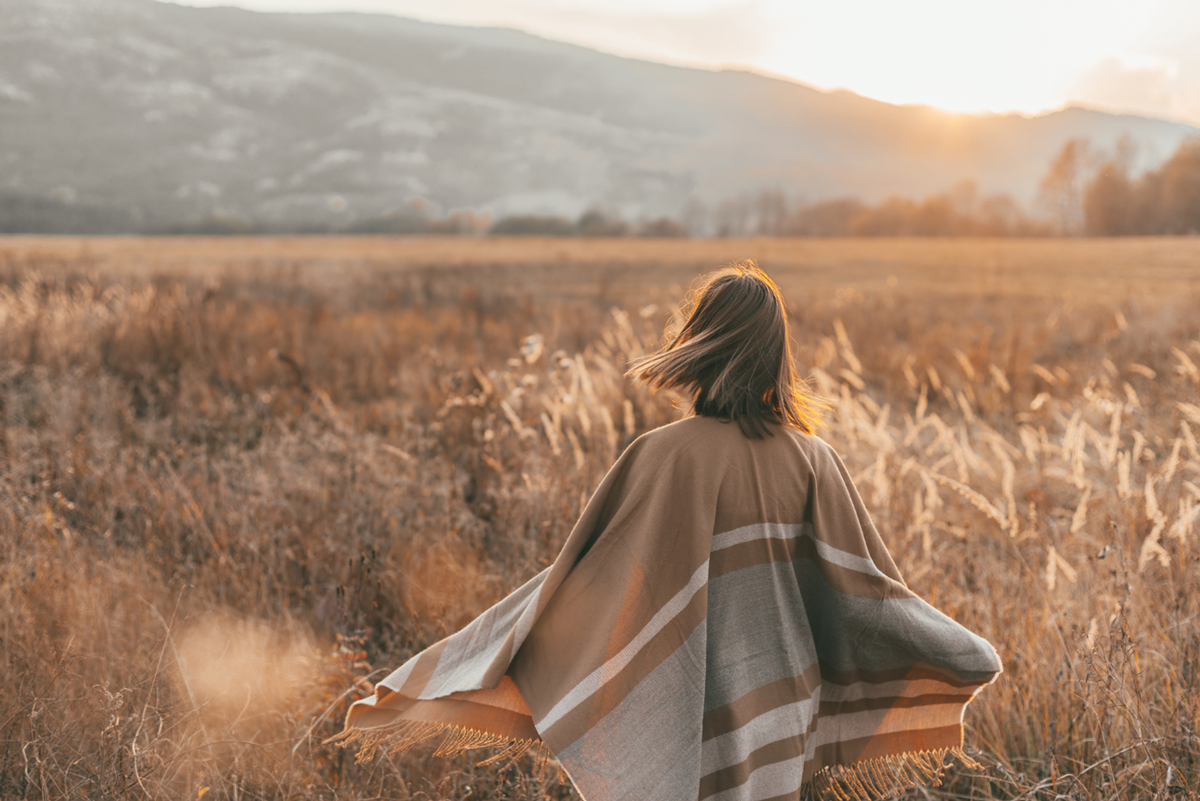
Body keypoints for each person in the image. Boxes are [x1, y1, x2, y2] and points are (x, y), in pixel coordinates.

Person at [335, 261, 1002, 801]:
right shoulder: (813, 459)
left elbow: (580, 583)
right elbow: (869, 594)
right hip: (785, 709)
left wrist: (458, 662)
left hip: (691, 704)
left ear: (701, 343)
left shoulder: (661, 454)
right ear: (775, 353)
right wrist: (960, 648)